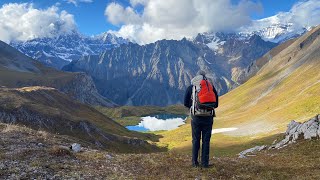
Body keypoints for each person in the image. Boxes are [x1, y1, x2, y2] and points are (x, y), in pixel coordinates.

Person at [184, 71, 219, 168]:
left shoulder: (191, 87)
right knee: (206, 140)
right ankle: (205, 164)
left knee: (195, 140)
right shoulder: (210, 87)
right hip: (208, 118)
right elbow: (215, 104)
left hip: (196, 118)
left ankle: (194, 163)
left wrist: (194, 106)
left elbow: (185, 103)